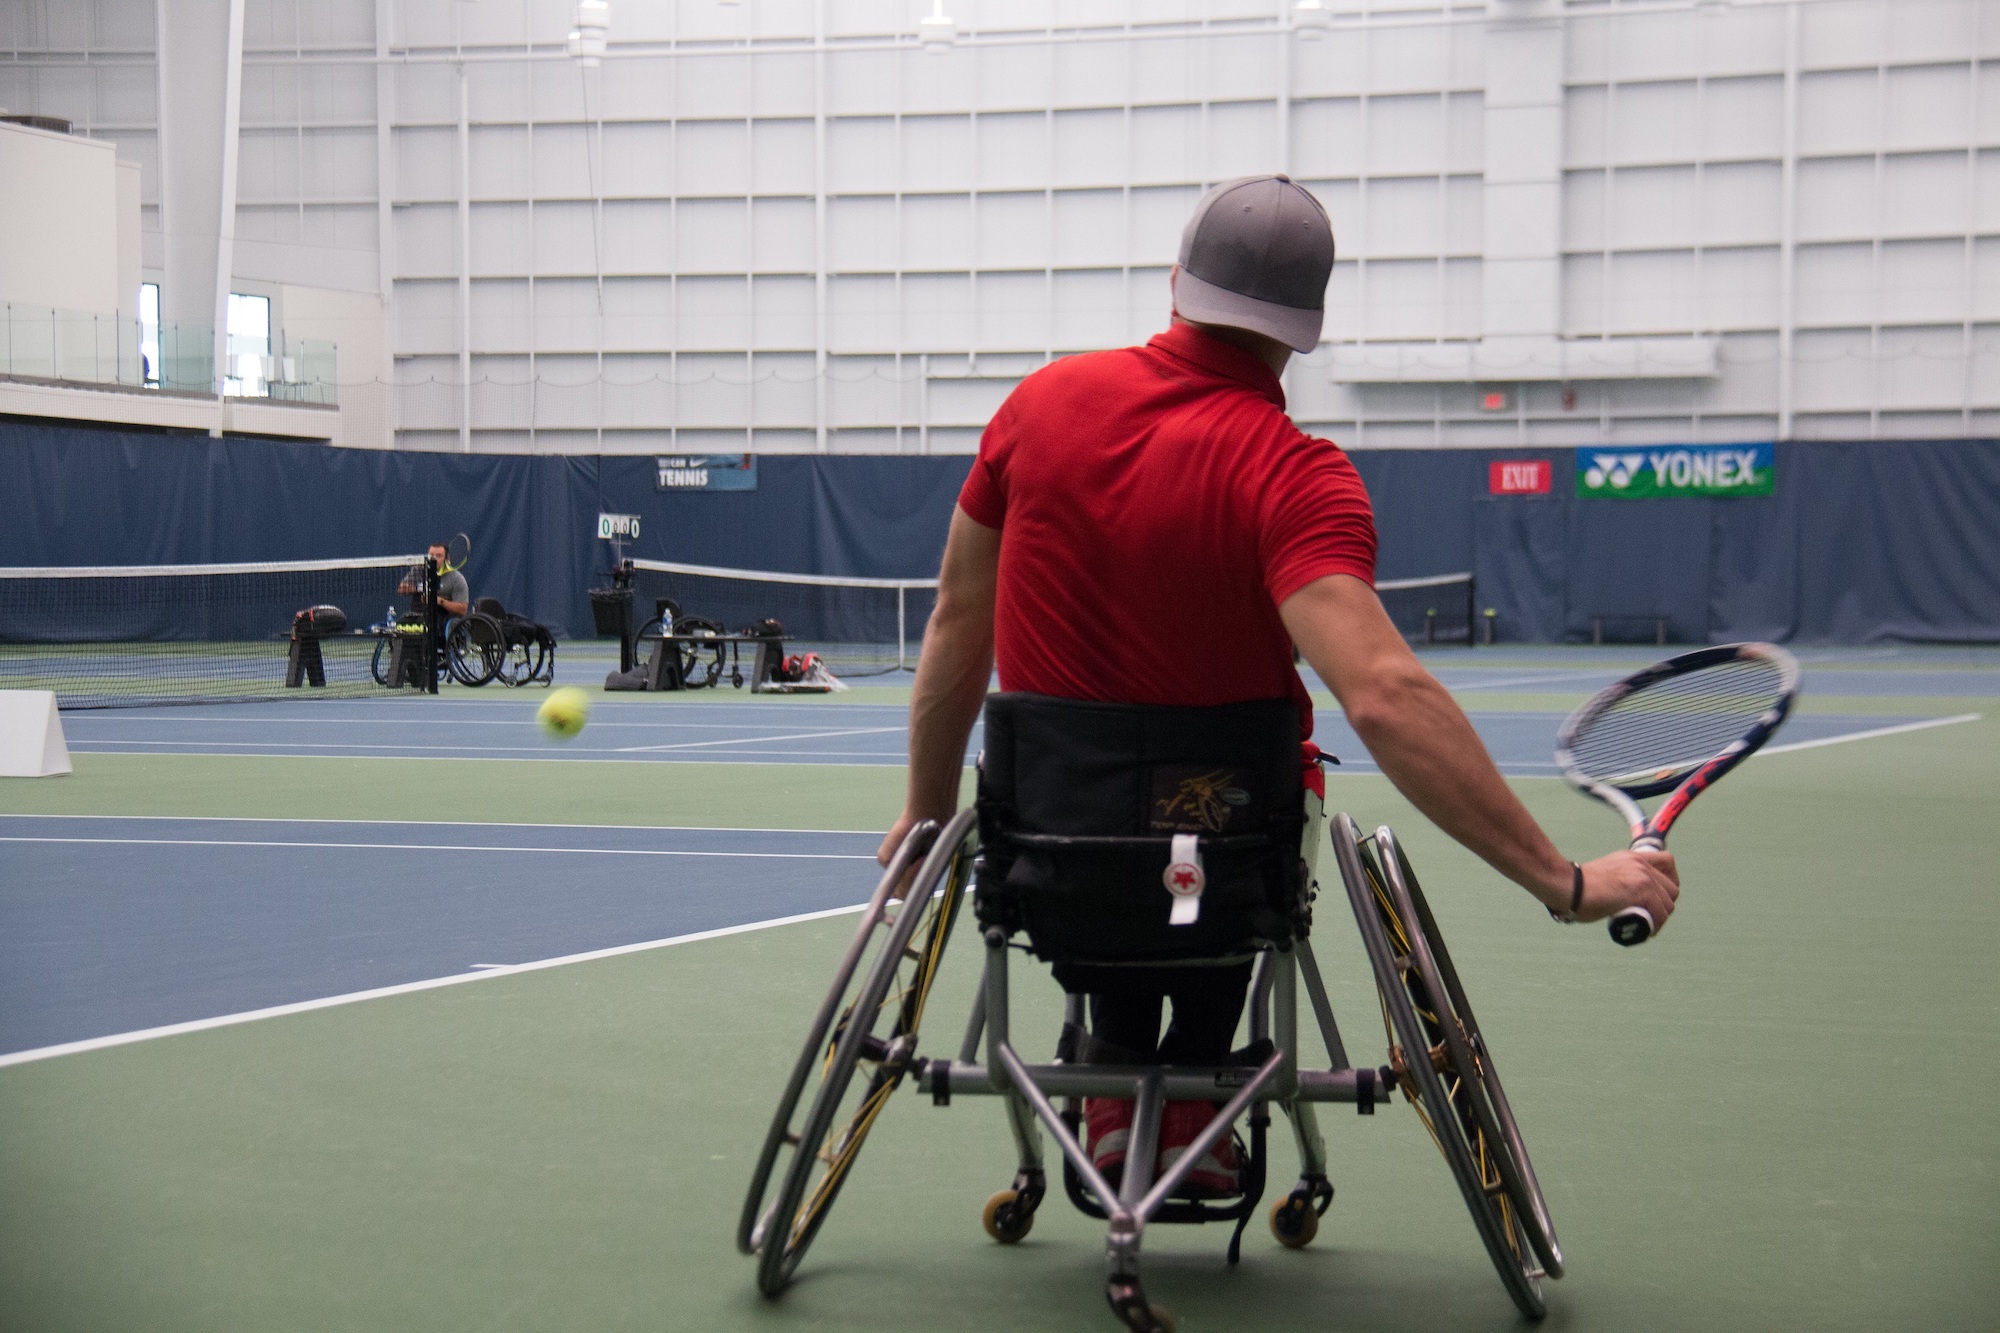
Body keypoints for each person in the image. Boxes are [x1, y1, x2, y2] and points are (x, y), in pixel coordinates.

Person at [876, 174, 1681, 1197]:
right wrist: (1560, 881)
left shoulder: (1036, 409)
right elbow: (1382, 694)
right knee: (1233, 836)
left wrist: (925, 811)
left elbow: (957, 619)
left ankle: (1120, 1085)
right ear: (1306, 331)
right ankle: (1196, 1098)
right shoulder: (1294, 475)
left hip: (1047, 850)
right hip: (1224, 861)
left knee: (1115, 864)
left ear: (1174, 283)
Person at [399, 542, 469, 619]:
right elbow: (401, 589)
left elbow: (463, 609)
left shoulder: (456, 578)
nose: (434, 559)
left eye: (439, 556)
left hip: (444, 620)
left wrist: (439, 601)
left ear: (447, 559)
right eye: (431, 555)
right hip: (418, 617)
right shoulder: (418, 570)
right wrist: (420, 588)